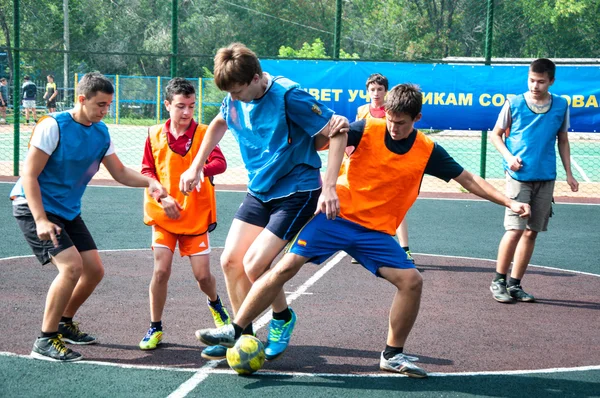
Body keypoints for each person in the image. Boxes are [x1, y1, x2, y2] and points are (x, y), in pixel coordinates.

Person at [196, 83, 531, 378]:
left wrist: (508, 201)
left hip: (375, 233)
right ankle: (236, 329)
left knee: (412, 281)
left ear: (417, 119)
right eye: (390, 119)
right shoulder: (367, 128)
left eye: (401, 123)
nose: (394, 127)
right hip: (336, 217)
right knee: (283, 266)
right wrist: (333, 129)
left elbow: (467, 179)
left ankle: (392, 354)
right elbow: (326, 140)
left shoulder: (427, 150)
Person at [179, 42, 348, 361]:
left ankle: (280, 319)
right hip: (261, 189)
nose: (235, 98)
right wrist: (195, 165)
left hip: (297, 190)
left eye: (239, 91)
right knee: (230, 261)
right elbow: (219, 122)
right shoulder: (234, 98)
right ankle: (242, 334)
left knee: (255, 264)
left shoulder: (289, 96)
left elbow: (337, 133)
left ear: (257, 78)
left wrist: (329, 187)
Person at [9, 72, 167, 362]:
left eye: (108, 105)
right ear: (82, 99)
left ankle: (64, 322)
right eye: (100, 105)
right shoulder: (53, 126)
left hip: (67, 210)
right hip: (35, 207)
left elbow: (119, 173)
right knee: (71, 267)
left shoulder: (101, 132)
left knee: (94, 270)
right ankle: (45, 340)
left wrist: (150, 182)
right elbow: (29, 175)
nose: (105, 110)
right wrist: (41, 219)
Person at [139, 78, 232, 359]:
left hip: (195, 215)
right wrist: (162, 197)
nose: (187, 112)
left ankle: (216, 304)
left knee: (203, 276)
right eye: (180, 106)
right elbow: (146, 171)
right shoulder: (154, 134)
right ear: (167, 105)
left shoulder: (204, 133)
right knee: (161, 271)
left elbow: (221, 162)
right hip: (164, 213)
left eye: (191, 106)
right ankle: (155, 326)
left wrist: (199, 170)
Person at [489, 58, 579, 303]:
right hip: (519, 176)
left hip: (546, 176)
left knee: (532, 232)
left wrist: (569, 174)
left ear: (551, 81)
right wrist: (509, 158)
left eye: (540, 81)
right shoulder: (514, 103)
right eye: (531, 80)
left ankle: (515, 284)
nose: (534, 85)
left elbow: (562, 140)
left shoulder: (561, 105)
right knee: (515, 229)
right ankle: (498, 281)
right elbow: (496, 135)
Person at [353, 73, 414, 264]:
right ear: (367, 91)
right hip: (367, 167)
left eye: (380, 89)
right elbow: (355, 137)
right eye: (372, 89)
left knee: (397, 207)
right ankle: (360, 249)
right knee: (362, 206)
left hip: (389, 165)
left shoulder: (391, 111)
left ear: (386, 91)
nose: (376, 93)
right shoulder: (362, 110)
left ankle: (405, 250)